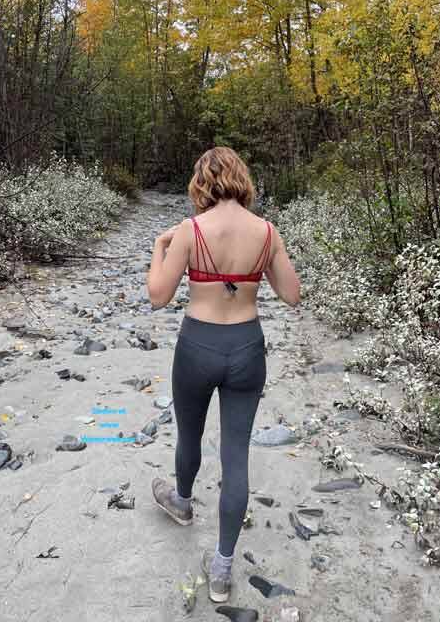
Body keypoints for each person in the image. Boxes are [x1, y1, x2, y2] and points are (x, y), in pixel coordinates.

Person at [146, 146, 301, 603]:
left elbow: (158, 296)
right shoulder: (267, 231)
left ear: (202, 182)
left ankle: (182, 503)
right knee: (236, 456)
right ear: (240, 178)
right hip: (247, 348)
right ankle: (221, 569)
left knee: (189, 435)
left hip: (198, 346)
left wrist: (159, 247)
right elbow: (292, 294)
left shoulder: (190, 230)